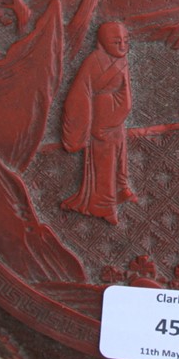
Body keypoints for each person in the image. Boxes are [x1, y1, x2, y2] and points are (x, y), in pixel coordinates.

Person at [61, 22, 136, 224]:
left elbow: (126, 91)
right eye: (116, 42)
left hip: (117, 119)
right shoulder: (93, 61)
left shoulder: (122, 61)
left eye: (125, 41)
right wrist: (85, 125)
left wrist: (120, 113)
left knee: (119, 154)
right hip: (99, 119)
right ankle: (103, 206)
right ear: (103, 42)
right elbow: (79, 92)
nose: (122, 46)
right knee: (103, 161)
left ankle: (120, 188)